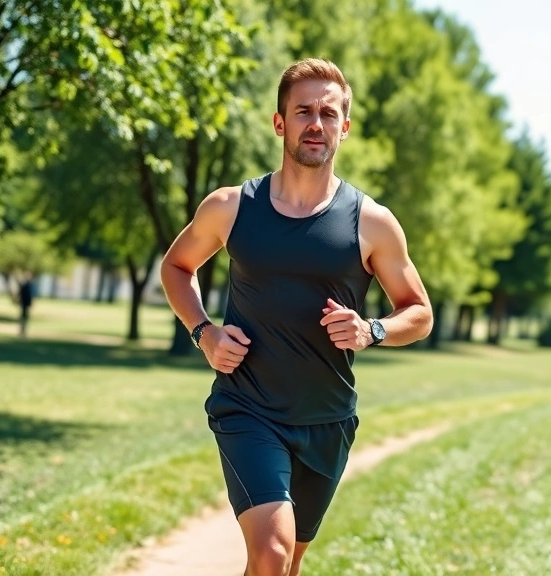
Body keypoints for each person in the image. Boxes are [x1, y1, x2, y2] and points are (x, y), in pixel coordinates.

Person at [159, 58, 433, 576]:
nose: (316, 123)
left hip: (327, 421)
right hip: (248, 409)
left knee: (286, 566)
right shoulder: (232, 206)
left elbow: (419, 313)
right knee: (272, 551)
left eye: (329, 114)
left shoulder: (371, 222)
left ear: (344, 127)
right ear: (279, 122)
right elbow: (176, 266)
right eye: (303, 111)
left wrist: (372, 330)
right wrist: (203, 331)